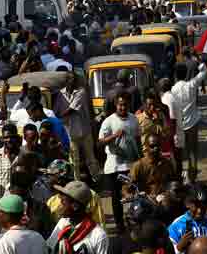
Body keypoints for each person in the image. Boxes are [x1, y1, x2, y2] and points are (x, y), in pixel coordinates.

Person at [98, 91, 140, 231]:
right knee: (115, 198)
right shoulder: (108, 121)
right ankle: (119, 225)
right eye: (120, 105)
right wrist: (114, 136)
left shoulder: (134, 119)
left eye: (125, 105)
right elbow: (100, 142)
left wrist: (139, 158)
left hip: (129, 165)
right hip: (113, 166)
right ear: (116, 105)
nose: (123, 108)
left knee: (132, 195)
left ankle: (134, 221)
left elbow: (138, 140)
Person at [171, 54, 207, 183]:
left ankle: (180, 179)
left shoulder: (173, 90)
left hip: (179, 125)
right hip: (192, 124)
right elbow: (204, 71)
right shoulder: (191, 85)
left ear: (176, 75)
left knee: (179, 154)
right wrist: (198, 61)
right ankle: (192, 179)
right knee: (192, 152)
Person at [57, 72, 99, 181]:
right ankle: (77, 181)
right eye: (69, 79)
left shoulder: (81, 92)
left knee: (90, 158)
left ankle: (96, 178)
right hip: (70, 132)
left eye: (73, 79)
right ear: (65, 81)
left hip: (84, 131)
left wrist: (59, 117)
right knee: (74, 160)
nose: (71, 81)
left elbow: (71, 109)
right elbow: (56, 108)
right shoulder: (60, 94)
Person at [47, 181, 109, 254]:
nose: (60, 205)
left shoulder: (98, 235)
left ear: (75, 206)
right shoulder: (63, 223)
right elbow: (49, 247)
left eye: (63, 201)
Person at [167, 183, 207, 253]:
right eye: (196, 206)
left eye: (203, 206)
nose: (199, 210)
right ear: (186, 203)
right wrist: (179, 248)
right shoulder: (176, 227)